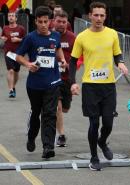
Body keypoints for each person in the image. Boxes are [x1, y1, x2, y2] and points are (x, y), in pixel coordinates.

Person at [69, 1, 128, 171]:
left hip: (108, 86)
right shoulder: (82, 37)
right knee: (94, 123)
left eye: (102, 15)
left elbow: (117, 55)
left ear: (105, 16)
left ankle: (102, 142)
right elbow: (73, 62)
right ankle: (94, 156)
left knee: (108, 123)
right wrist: (73, 82)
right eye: (96, 15)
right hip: (90, 86)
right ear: (90, 16)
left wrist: (121, 63)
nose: (99, 18)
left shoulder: (112, 34)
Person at [15, 6, 66, 159]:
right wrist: (28, 64)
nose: (43, 25)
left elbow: (57, 50)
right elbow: (18, 56)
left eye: (46, 21)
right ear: (35, 21)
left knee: (50, 114)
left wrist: (62, 60)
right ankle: (31, 137)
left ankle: (48, 147)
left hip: (53, 82)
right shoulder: (30, 38)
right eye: (40, 22)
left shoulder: (56, 35)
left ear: (50, 21)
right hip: (34, 85)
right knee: (36, 113)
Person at [54, 10, 76, 147]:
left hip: (67, 78)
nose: (61, 24)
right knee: (58, 107)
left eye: (64, 22)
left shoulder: (73, 38)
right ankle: (61, 135)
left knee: (65, 109)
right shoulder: (48, 35)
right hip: (52, 78)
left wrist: (72, 67)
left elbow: (79, 58)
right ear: (53, 21)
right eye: (59, 21)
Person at [0, 11, 25, 98]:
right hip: (8, 52)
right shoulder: (5, 28)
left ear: (16, 18)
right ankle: (11, 90)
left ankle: (13, 87)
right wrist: (3, 38)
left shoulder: (21, 28)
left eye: (12, 16)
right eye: (9, 16)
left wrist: (19, 40)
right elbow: (2, 36)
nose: (11, 17)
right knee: (10, 70)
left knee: (16, 72)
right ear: (7, 18)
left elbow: (25, 40)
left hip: (18, 53)